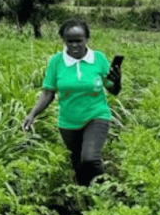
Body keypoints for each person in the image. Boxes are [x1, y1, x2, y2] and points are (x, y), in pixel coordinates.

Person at [21, 18, 122, 187]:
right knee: (78, 162)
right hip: (68, 121)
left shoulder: (98, 59)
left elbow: (114, 90)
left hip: (96, 115)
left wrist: (117, 81)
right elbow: (48, 92)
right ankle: (87, 199)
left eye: (79, 41)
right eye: (70, 41)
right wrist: (32, 114)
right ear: (64, 41)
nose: (74, 45)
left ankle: (106, 193)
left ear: (87, 39)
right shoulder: (56, 62)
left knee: (90, 157)